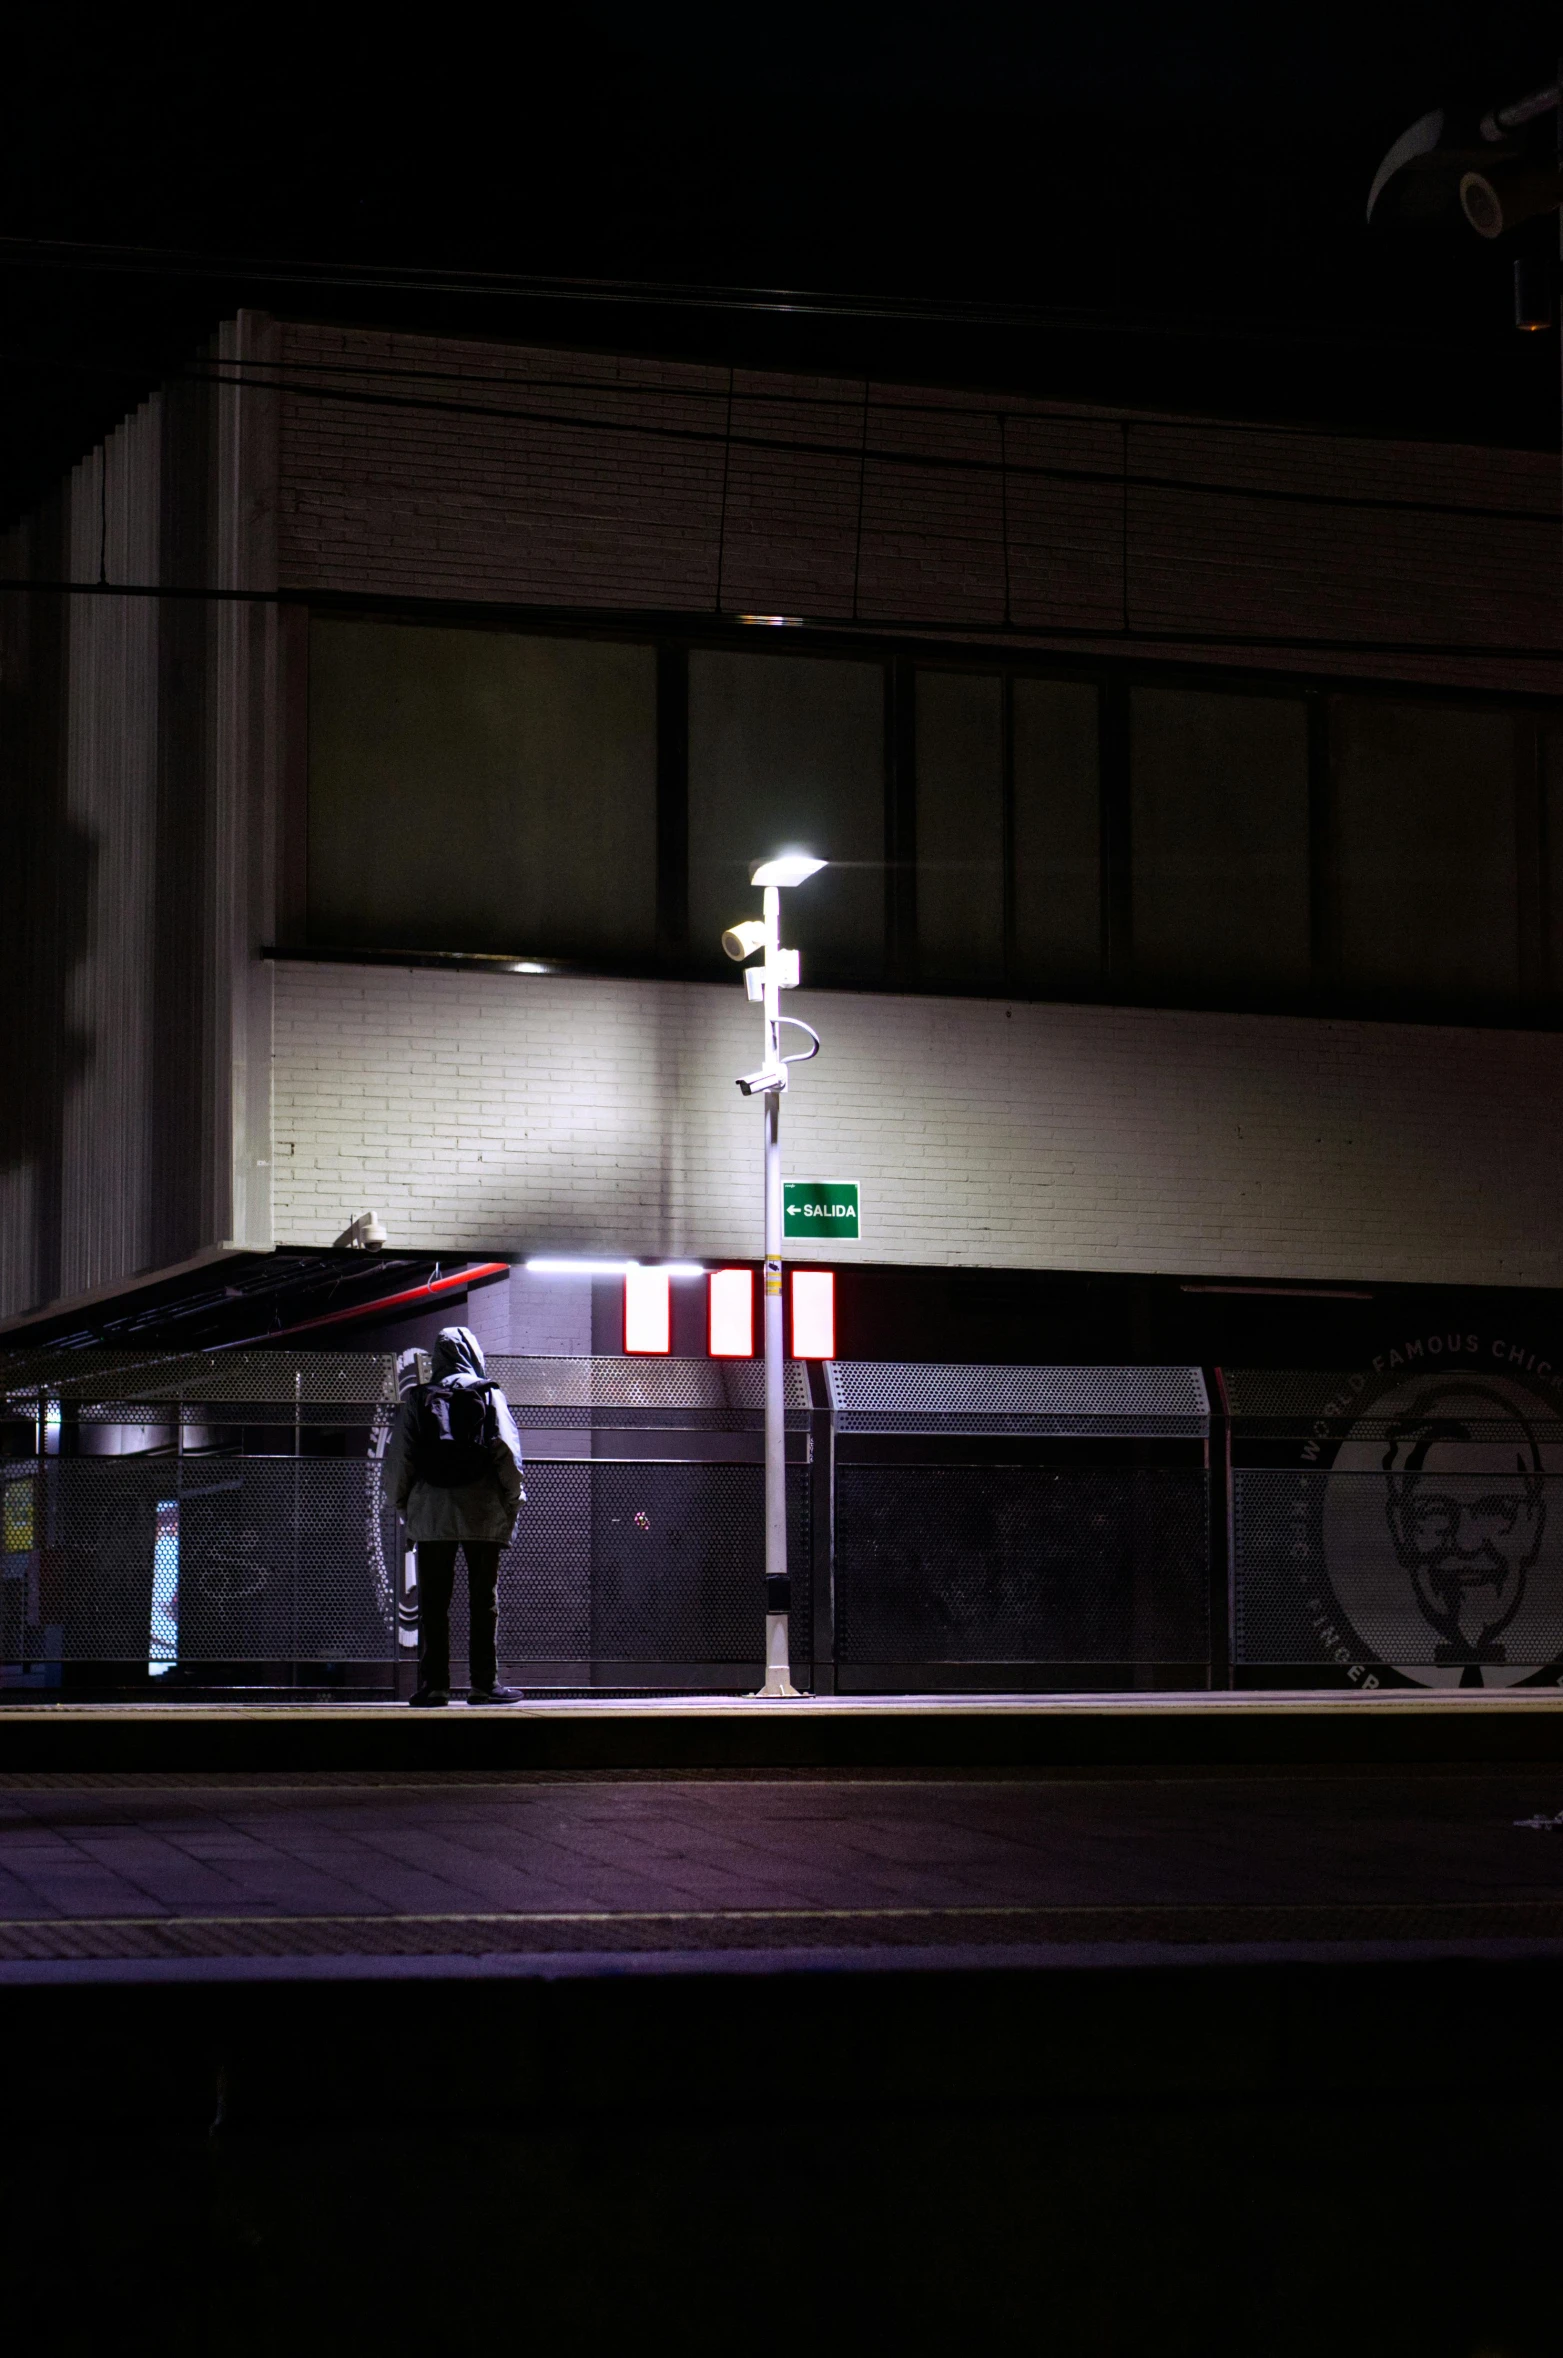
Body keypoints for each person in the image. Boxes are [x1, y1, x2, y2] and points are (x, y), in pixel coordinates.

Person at [386, 1325, 525, 1706]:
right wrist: (512, 1503)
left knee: (434, 1602)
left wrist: (405, 1508)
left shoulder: (418, 1398)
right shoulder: (489, 1393)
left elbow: (401, 1461)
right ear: (474, 1355)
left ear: (438, 1358)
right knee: (484, 1601)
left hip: (432, 1513)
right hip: (483, 1511)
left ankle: (435, 1686)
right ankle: (484, 1684)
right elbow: (507, 1454)